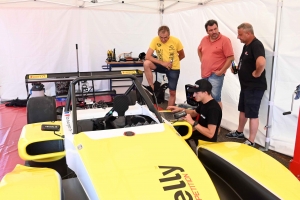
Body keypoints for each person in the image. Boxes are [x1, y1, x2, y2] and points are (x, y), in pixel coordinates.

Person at [226, 23, 267, 147]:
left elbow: (261, 62)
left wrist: (257, 73)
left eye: (240, 34)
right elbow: (247, 62)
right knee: (243, 110)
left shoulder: (256, 45)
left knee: (252, 113)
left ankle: (251, 140)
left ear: (248, 33)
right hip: (245, 87)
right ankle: (239, 132)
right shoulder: (247, 46)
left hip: (254, 87)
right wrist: (238, 68)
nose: (238, 37)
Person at [167, 79, 222, 146]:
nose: (193, 95)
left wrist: (193, 122)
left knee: (178, 137)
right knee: (178, 130)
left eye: (196, 93)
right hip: (199, 133)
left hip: (206, 141)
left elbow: (210, 134)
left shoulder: (213, 109)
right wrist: (180, 109)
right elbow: (193, 113)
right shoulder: (203, 102)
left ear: (205, 92)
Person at [143, 25, 185, 106]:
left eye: (165, 37)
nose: (163, 39)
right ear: (158, 35)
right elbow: (147, 56)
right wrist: (162, 63)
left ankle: (170, 112)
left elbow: (182, 55)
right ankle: (152, 88)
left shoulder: (176, 41)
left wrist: (174, 62)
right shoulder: (155, 40)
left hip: (173, 68)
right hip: (162, 65)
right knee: (146, 63)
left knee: (172, 92)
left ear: (169, 35)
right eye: (161, 37)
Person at [197, 19, 234, 109]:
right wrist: (203, 61)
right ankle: (207, 119)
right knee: (205, 98)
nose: (214, 32)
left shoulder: (225, 40)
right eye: (211, 30)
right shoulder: (204, 39)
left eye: (215, 29)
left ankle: (216, 120)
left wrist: (222, 71)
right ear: (207, 31)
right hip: (204, 73)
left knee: (215, 98)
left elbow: (231, 58)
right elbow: (199, 49)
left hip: (216, 75)